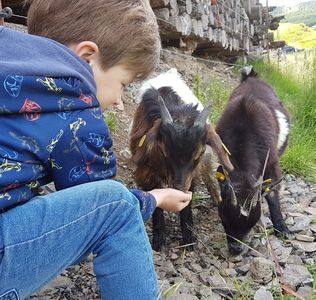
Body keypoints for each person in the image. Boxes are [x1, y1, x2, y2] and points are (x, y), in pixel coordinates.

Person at [0, 0, 192, 299]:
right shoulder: (74, 104)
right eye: (123, 83)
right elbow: (97, 203)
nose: (119, 101)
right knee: (116, 207)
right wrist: (155, 198)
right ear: (87, 57)